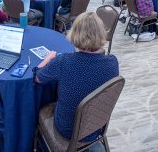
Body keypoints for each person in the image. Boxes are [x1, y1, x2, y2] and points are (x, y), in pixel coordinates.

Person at [35, 12, 119, 143]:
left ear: (75, 34)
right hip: (96, 127)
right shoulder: (113, 62)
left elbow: (38, 78)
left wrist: (47, 59)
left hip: (68, 129)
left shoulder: (64, 61)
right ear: (102, 33)